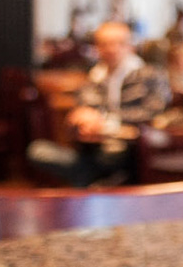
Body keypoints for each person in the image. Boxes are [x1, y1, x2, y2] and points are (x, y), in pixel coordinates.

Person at [25, 20, 171, 186]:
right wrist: (81, 119)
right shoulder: (94, 78)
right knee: (38, 150)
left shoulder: (150, 75)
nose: (111, 49)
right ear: (97, 48)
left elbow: (156, 110)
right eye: (104, 44)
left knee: (110, 155)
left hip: (133, 150)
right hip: (93, 148)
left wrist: (105, 123)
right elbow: (83, 107)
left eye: (118, 43)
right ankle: (95, 180)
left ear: (131, 46)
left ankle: (91, 181)